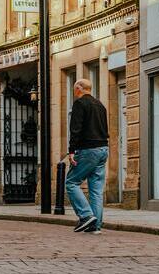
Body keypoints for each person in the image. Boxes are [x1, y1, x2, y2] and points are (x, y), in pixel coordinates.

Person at [65, 78, 109, 234]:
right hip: (103, 149)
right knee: (96, 190)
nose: (74, 92)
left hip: (88, 150)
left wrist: (71, 151)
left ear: (79, 88)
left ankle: (85, 216)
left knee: (71, 182)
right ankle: (95, 226)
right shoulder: (100, 105)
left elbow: (75, 129)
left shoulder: (80, 104)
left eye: (74, 89)